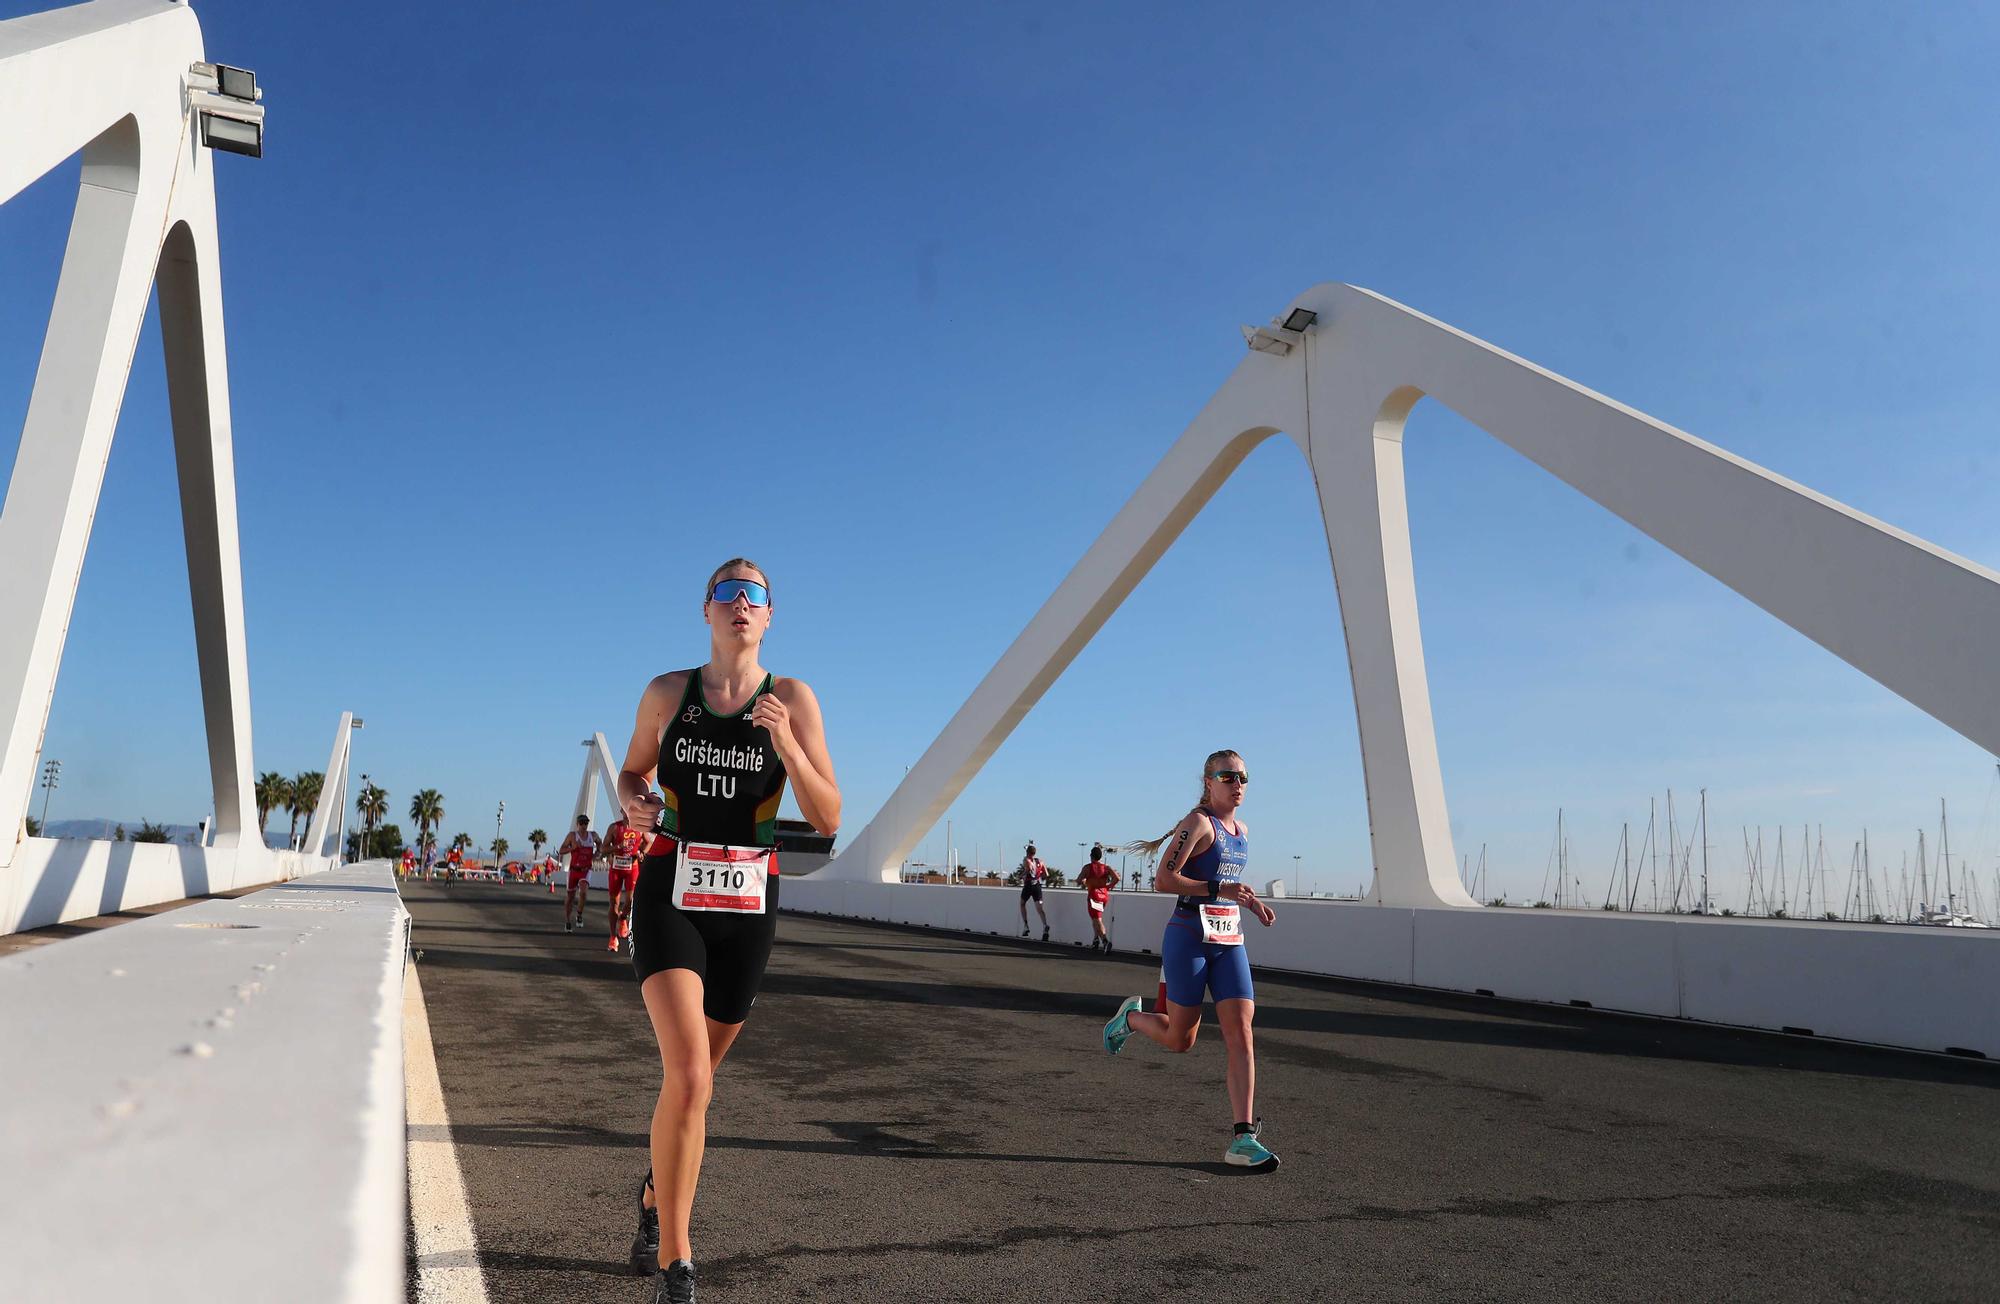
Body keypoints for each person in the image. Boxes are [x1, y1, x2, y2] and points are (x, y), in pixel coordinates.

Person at [616, 559, 840, 1303]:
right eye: (727, 592)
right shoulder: (666, 693)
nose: (740, 603)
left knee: (698, 1088)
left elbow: (829, 816)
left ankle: (654, 1193)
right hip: (669, 888)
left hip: (748, 906)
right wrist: (633, 804)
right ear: (705, 611)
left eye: (755, 595)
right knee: (688, 1076)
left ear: (770, 616)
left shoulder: (793, 699)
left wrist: (789, 746)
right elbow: (632, 774)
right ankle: (678, 1261)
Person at [1101, 749, 1280, 1171]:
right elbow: (1164, 879)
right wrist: (1219, 887)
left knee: (1242, 1033)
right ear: (1208, 782)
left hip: (1229, 939)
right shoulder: (1199, 823)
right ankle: (1131, 1019)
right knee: (1181, 1039)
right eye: (1228, 777)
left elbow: (1228, 886)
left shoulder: (1243, 830)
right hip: (1189, 938)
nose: (1238, 785)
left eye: (1243, 778)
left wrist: (1249, 902)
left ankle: (1243, 1137)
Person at [603, 814, 646, 953]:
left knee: (631, 901)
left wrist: (642, 852)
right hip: (616, 868)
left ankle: (623, 917)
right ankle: (612, 937)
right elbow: (603, 849)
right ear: (622, 810)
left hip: (631, 868)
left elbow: (649, 842)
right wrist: (618, 846)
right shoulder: (615, 827)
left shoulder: (639, 828)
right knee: (614, 904)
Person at [554, 815, 599, 933]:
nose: (584, 825)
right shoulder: (572, 836)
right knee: (570, 898)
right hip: (573, 870)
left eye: (586, 823)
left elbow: (601, 844)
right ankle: (568, 921)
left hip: (585, 870)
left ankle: (579, 914)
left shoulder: (592, 835)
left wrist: (597, 854)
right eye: (582, 823)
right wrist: (572, 848)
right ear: (577, 824)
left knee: (583, 892)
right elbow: (561, 850)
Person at [1077, 844, 1119, 953]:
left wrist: (1085, 882)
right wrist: (1108, 886)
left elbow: (1079, 880)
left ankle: (1105, 941)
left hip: (1094, 895)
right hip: (1104, 895)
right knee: (1096, 919)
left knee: (1097, 920)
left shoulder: (1088, 867)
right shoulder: (1106, 867)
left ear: (1091, 856)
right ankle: (1095, 940)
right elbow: (1117, 878)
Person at [1017, 843, 1050, 941]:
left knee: (1022, 904)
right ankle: (1045, 925)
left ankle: (1026, 925)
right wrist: (1039, 878)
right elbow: (1046, 874)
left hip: (1028, 885)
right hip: (1037, 886)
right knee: (1040, 908)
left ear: (1027, 853)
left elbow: (1029, 869)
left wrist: (1020, 875)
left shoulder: (1026, 860)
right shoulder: (1041, 861)